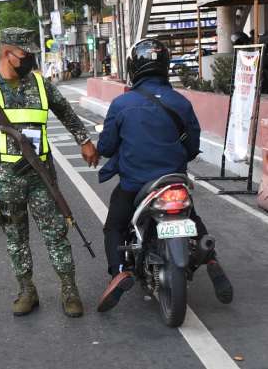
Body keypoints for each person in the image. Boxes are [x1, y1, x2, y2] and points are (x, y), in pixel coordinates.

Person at [0, 28, 99, 317]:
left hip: (41, 176)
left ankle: (69, 290)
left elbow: (67, 113)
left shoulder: (41, 86)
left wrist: (84, 141)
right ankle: (27, 291)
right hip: (6, 182)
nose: (30, 59)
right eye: (26, 54)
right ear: (8, 53)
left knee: (56, 234)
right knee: (16, 239)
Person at [96, 38, 233, 312]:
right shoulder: (180, 102)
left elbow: (107, 147)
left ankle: (119, 271)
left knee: (115, 225)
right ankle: (211, 258)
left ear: (134, 67)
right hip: (173, 181)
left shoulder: (122, 104)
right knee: (191, 215)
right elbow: (192, 146)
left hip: (136, 184)